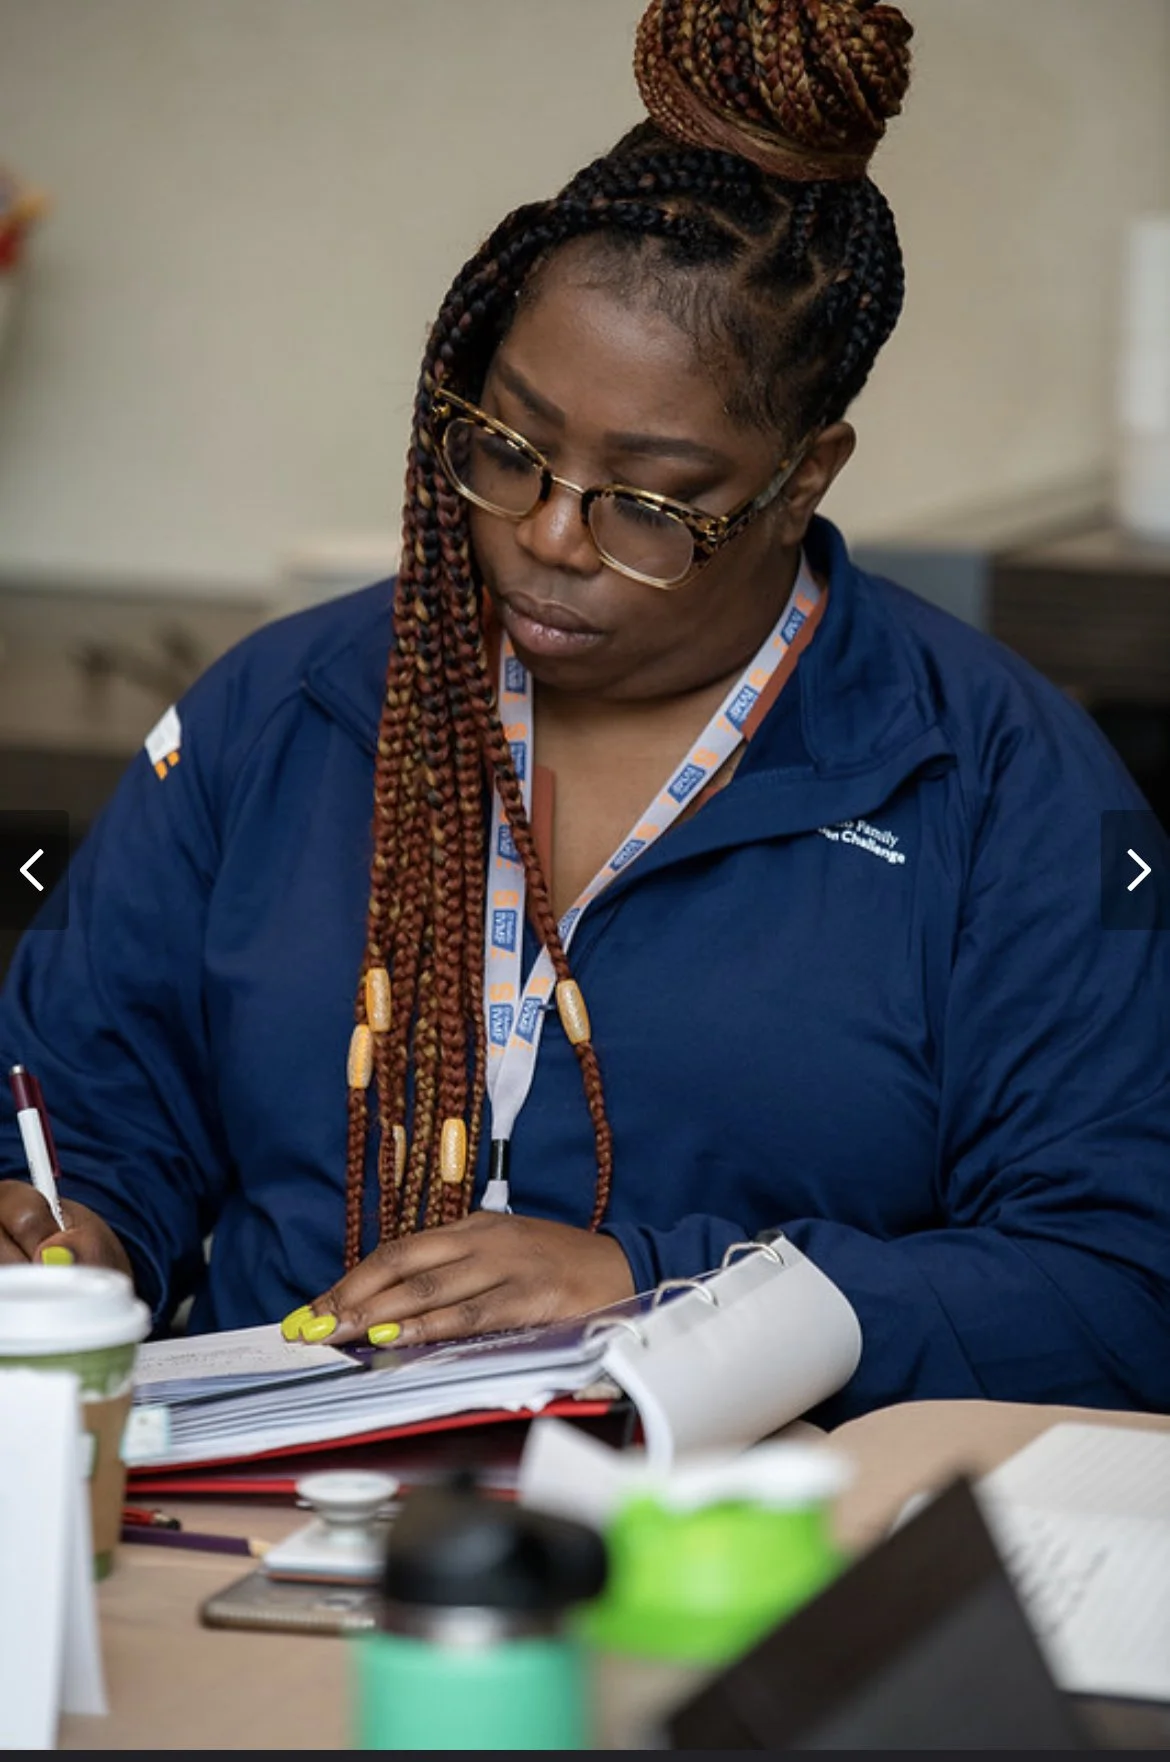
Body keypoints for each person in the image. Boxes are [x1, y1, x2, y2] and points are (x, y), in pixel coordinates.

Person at [1, 0, 1167, 1424]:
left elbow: (1119, 1285)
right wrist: (73, 1235)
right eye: (506, 449)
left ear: (801, 479)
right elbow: (90, 1118)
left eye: (648, 501)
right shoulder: (273, 717)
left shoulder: (1000, 784)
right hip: (243, 1526)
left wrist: (661, 1290)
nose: (548, 537)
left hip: (749, 1559)